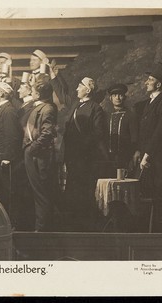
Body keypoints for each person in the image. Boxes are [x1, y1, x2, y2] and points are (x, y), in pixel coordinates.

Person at [133, 62, 162, 232]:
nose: (146, 82)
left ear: (158, 84)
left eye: (149, 80)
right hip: (148, 155)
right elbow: (145, 132)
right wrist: (139, 151)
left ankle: (160, 230)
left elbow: (159, 133)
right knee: (146, 190)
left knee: (158, 191)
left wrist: (146, 155)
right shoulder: (149, 103)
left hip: (159, 157)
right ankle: (147, 228)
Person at [63, 77, 109, 231]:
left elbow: (98, 133)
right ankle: (72, 223)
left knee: (84, 191)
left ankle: (85, 226)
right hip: (72, 158)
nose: (77, 89)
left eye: (79, 86)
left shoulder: (96, 108)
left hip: (85, 159)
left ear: (87, 90)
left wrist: (80, 147)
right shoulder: (76, 106)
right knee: (72, 190)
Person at [23, 80, 58, 231]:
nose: (31, 93)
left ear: (38, 93)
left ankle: (41, 229)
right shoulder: (40, 106)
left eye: (33, 91)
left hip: (38, 157)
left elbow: (47, 133)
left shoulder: (48, 108)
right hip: (33, 154)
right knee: (37, 191)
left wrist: (32, 149)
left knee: (41, 192)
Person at [0, 82, 22, 215]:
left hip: (1, 156)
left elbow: (12, 135)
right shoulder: (0, 109)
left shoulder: (8, 110)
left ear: (2, 94)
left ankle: (7, 218)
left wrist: (7, 157)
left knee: (4, 189)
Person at [104, 83, 139, 173]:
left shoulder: (131, 115)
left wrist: (134, 153)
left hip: (125, 157)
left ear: (124, 97)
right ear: (110, 98)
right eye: (114, 95)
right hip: (108, 157)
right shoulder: (106, 116)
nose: (117, 98)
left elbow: (134, 137)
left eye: (120, 95)